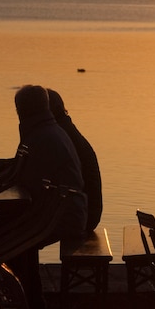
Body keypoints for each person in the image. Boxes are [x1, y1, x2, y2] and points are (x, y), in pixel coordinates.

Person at [0, 85, 87, 309]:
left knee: (3, 237)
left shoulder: (41, 136)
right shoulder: (46, 131)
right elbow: (24, 172)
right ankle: (30, 303)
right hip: (57, 211)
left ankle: (21, 305)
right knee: (12, 234)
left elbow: (23, 183)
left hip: (62, 216)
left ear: (21, 110)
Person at [47, 88, 103, 230]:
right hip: (87, 211)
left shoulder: (59, 134)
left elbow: (38, 166)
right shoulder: (65, 129)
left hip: (84, 215)